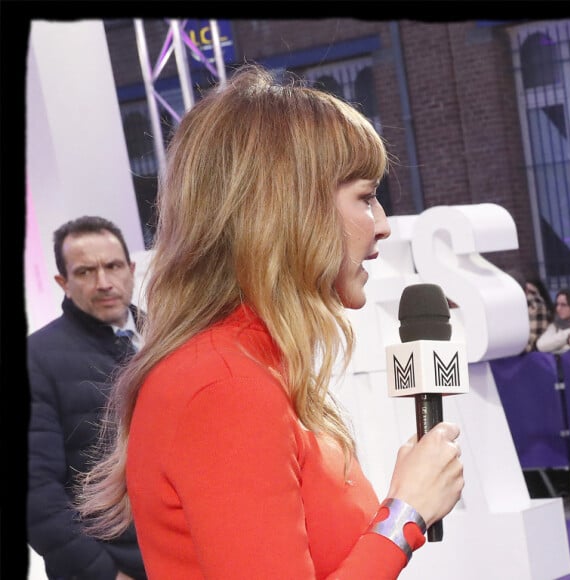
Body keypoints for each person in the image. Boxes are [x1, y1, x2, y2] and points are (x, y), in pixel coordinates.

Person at [77, 64, 464, 579]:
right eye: (366, 198)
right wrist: (405, 515)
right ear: (289, 208)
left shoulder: (249, 366)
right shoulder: (222, 384)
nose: (383, 226)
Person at [27, 216, 147, 580]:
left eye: (112, 266)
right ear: (63, 283)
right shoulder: (36, 358)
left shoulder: (164, 338)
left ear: (131, 269)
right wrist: (103, 573)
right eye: (85, 272)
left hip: (176, 557)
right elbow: (36, 492)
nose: (104, 283)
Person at [536, 287, 570, 354]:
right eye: (557, 304)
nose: (558, 308)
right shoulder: (555, 325)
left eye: (563, 305)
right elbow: (541, 346)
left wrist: (555, 346)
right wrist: (569, 333)